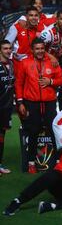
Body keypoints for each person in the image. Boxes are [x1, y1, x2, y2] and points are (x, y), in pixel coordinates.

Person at [15, 38, 62, 173]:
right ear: (32, 50)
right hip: (32, 103)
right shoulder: (24, 63)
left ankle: (59, 161)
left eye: (42, 48)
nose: (40, 51)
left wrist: (51, 81)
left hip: (49, 102)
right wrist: (20, 102)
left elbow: (61, 79)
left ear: (45, 49)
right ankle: (31, 162)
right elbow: (18, 83)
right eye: (37, 48)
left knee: (54, 131)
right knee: (33, 131)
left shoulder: (52, 62)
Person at [0, 40, 14, 175]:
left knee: (1, 137)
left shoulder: (11, 64)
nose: (8, 51)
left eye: (10, 48)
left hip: (6, 108)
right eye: (5, 48)